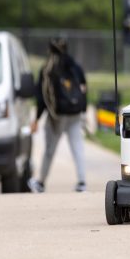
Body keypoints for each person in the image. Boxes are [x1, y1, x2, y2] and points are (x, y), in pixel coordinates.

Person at [28, 37, 88, 193]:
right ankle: (82, 182)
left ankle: (41, 182)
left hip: (57, 115)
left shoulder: (48, 69)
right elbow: (83, 89)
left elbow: (42, 97)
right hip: (75, 112)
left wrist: (36, 119)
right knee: (78, 148)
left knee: (50, 149)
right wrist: (84, 110)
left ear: (50, 50)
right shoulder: (75, 67)